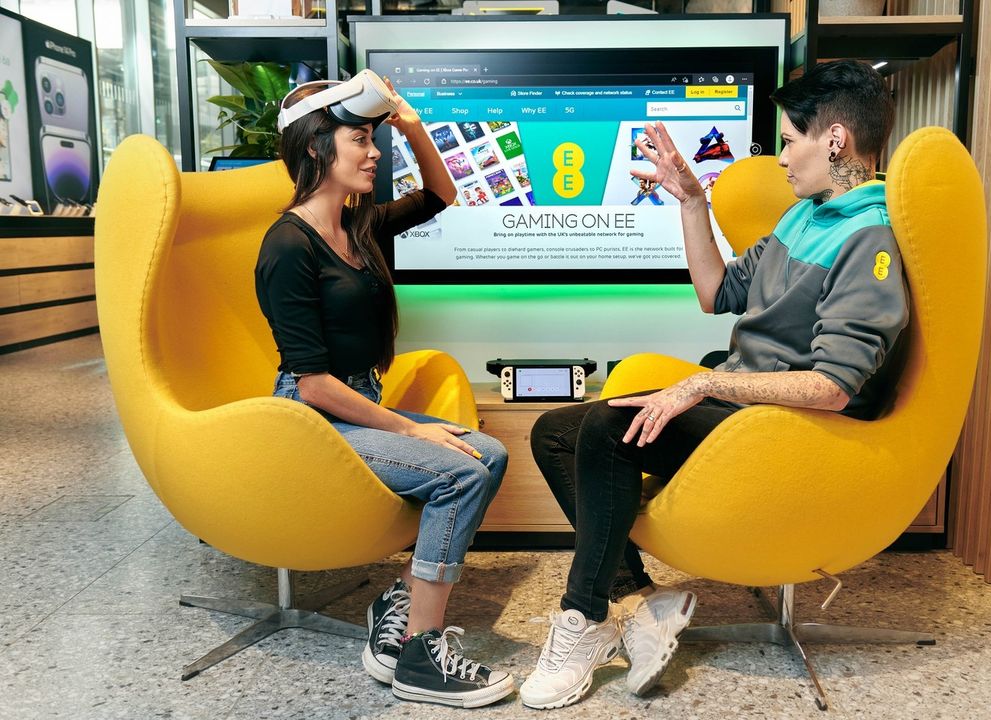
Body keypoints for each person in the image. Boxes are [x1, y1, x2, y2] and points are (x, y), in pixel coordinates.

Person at [519, 59, 907, 709]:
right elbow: (715, 292)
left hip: (792, 431)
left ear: (835, 140)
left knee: (611, 428)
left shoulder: (870, 238)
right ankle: (640, 605)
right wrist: (692, 201)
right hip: (744, 406)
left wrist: (701, 387)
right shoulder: (804, 216)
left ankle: (582, 620)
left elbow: (833, 387)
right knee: (554, 430)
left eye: (790, 140)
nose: (781, 157)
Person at [254, 74, 514, 708]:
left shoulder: (359, 225)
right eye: (359, 140)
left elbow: (442, 194)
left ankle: (401, 599)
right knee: (461, 472)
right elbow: (312, 383)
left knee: (491, 453)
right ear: (316, 146)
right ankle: (422, 655)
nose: (374, 153)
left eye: (374, 139)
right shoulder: (286, 246)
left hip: (357, 405)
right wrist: (411, 428)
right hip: (313, 416)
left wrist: (413, 126)